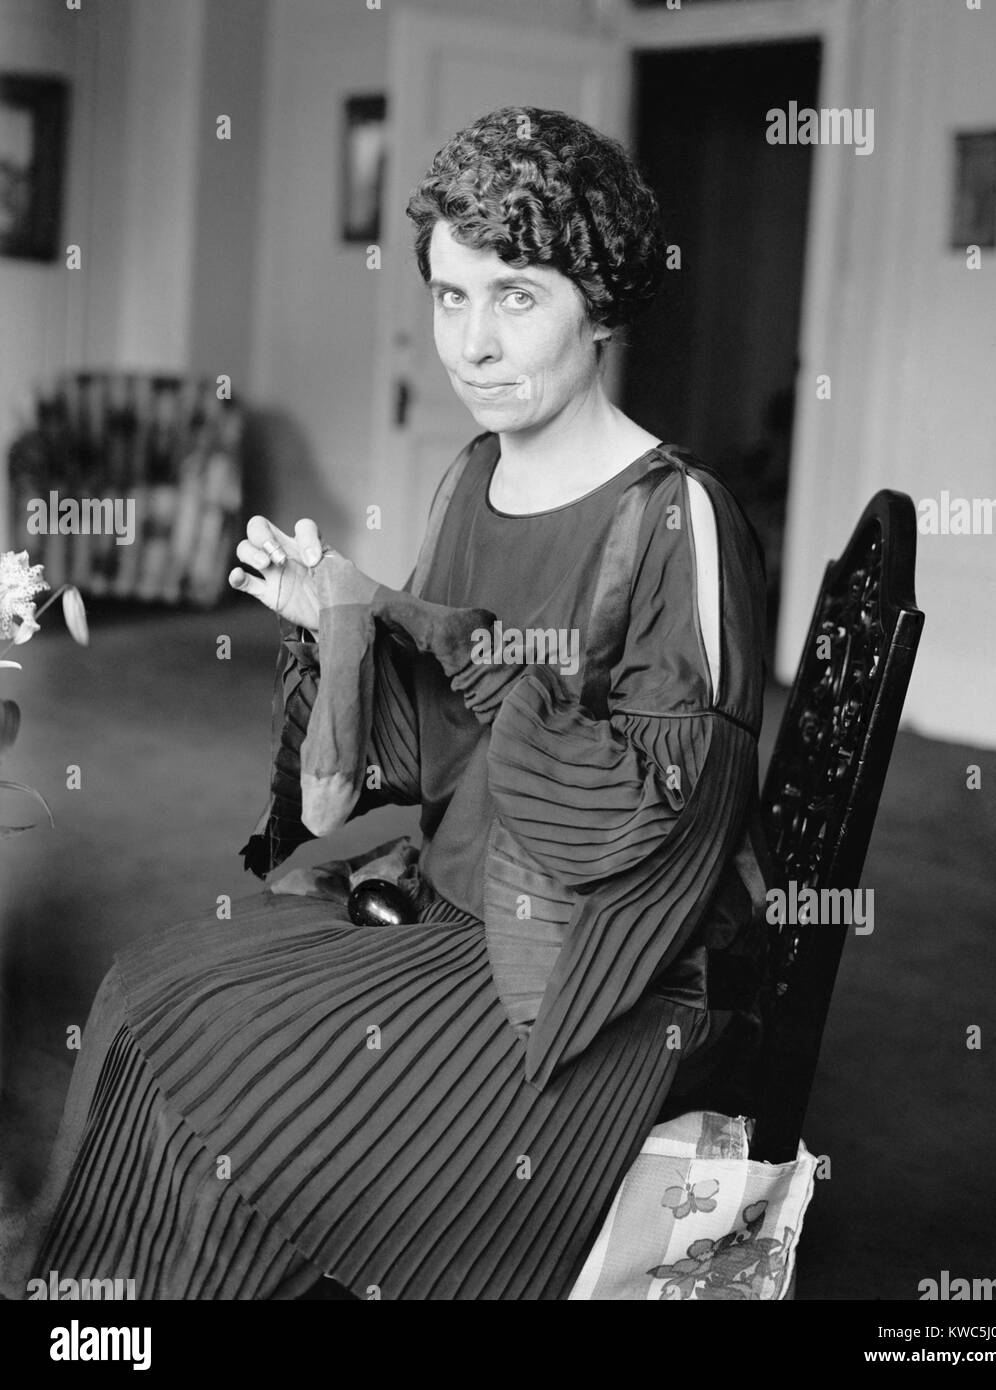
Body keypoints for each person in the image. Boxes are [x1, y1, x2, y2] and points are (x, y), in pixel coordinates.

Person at [21, 106, 769, 1300]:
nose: (469, 344)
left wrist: (433, 632)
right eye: (448, 295)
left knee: (226, 1102)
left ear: (602, 303)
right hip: (444, 893)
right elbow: (416, 763)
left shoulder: (677, 521)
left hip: (570, 976)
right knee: (140, 995)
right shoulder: (474, 474)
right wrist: (344, 626)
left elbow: (654, 826)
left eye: (514, 295)